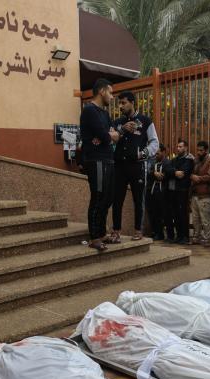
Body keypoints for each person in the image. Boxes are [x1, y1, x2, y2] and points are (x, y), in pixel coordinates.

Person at [111, 91, 158, 243]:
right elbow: (110, 141)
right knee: (117, 199)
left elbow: (154, 143)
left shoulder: (146, 121)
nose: (121, 106)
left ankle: (138, 231)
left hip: (137, 166)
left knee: (139, 199)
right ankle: (116, 231)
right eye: (120, 103)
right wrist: (121, 129)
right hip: (119, 166)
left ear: (132, 102)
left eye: (123, 103)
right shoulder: (117, 122)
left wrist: (143, 154)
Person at [79, 78, 120, 251]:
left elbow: (114, 135)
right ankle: (94, 237)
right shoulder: (89, 110)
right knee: (98, 196)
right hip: (95, 159)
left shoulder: (104, 113)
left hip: (108, 159)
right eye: (110, 92)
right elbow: (105, 135)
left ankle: (102, 233)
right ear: (102, 91)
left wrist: (109, 135)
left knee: (108, 197)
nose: (112, 97)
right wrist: (108, 135)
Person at [166, 140, 194, 244]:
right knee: (175, 214)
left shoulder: (189, 160)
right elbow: (167, 170)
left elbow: (183, 173)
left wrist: (174, 172)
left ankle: (185, 236)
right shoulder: (174, 159)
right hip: (172, 190)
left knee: (182, 214)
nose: (178, 148)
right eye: (177, 146)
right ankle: (179, 235)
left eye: (180, 147)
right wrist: (174, 172)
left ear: (186, 148)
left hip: (182, 190)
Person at [188, 141, 210, 246]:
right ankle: (196, 236)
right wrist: (192, 176)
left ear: (206, 150)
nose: (199, 152)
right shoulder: (195, 160)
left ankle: (206, 238)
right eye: (198, 150)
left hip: (205, 194)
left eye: (201, 150)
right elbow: (190, 173)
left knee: (205, 219)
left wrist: (197, 178)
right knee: (195, 218)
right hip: (195, 193)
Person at [146, 144, 172, 241]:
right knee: (155, 214)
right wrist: (153, 173)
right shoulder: (153, 163)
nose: (156, 155)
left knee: (165, 215)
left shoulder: (168, 163)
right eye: (155, 154)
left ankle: (168, 235)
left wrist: (160, 174)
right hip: (153, 192)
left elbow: (168, 174)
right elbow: (149, 173)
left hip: (164, 193)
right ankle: (157, 233)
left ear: (164, 152)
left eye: (158, 153)